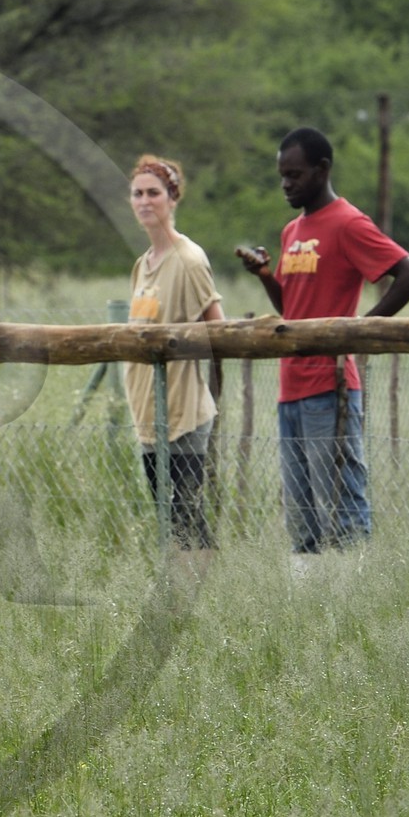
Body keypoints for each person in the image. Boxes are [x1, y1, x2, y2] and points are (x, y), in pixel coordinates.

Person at [237, 126, 409, 554]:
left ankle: (353, 595)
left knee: (341, 500)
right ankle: (308, 602)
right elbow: (294, 308)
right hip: (292, 386)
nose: (286, 184)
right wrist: (266, 276)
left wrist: (354, 333)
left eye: (296, 174)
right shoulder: (292, 231)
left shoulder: (348, 223)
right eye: (282, 175)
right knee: (301, 510)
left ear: (323, 170)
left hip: (331, 386)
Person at [123, 154, 223, 551]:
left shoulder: (189, 259)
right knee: (167, 519)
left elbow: (219, 330)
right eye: (137, 194)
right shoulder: (142, 264)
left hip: (182, 411)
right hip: (147, 410)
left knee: (186, 518)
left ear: (173, 198)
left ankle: (202, 593)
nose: (145, 201)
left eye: (154, 193)